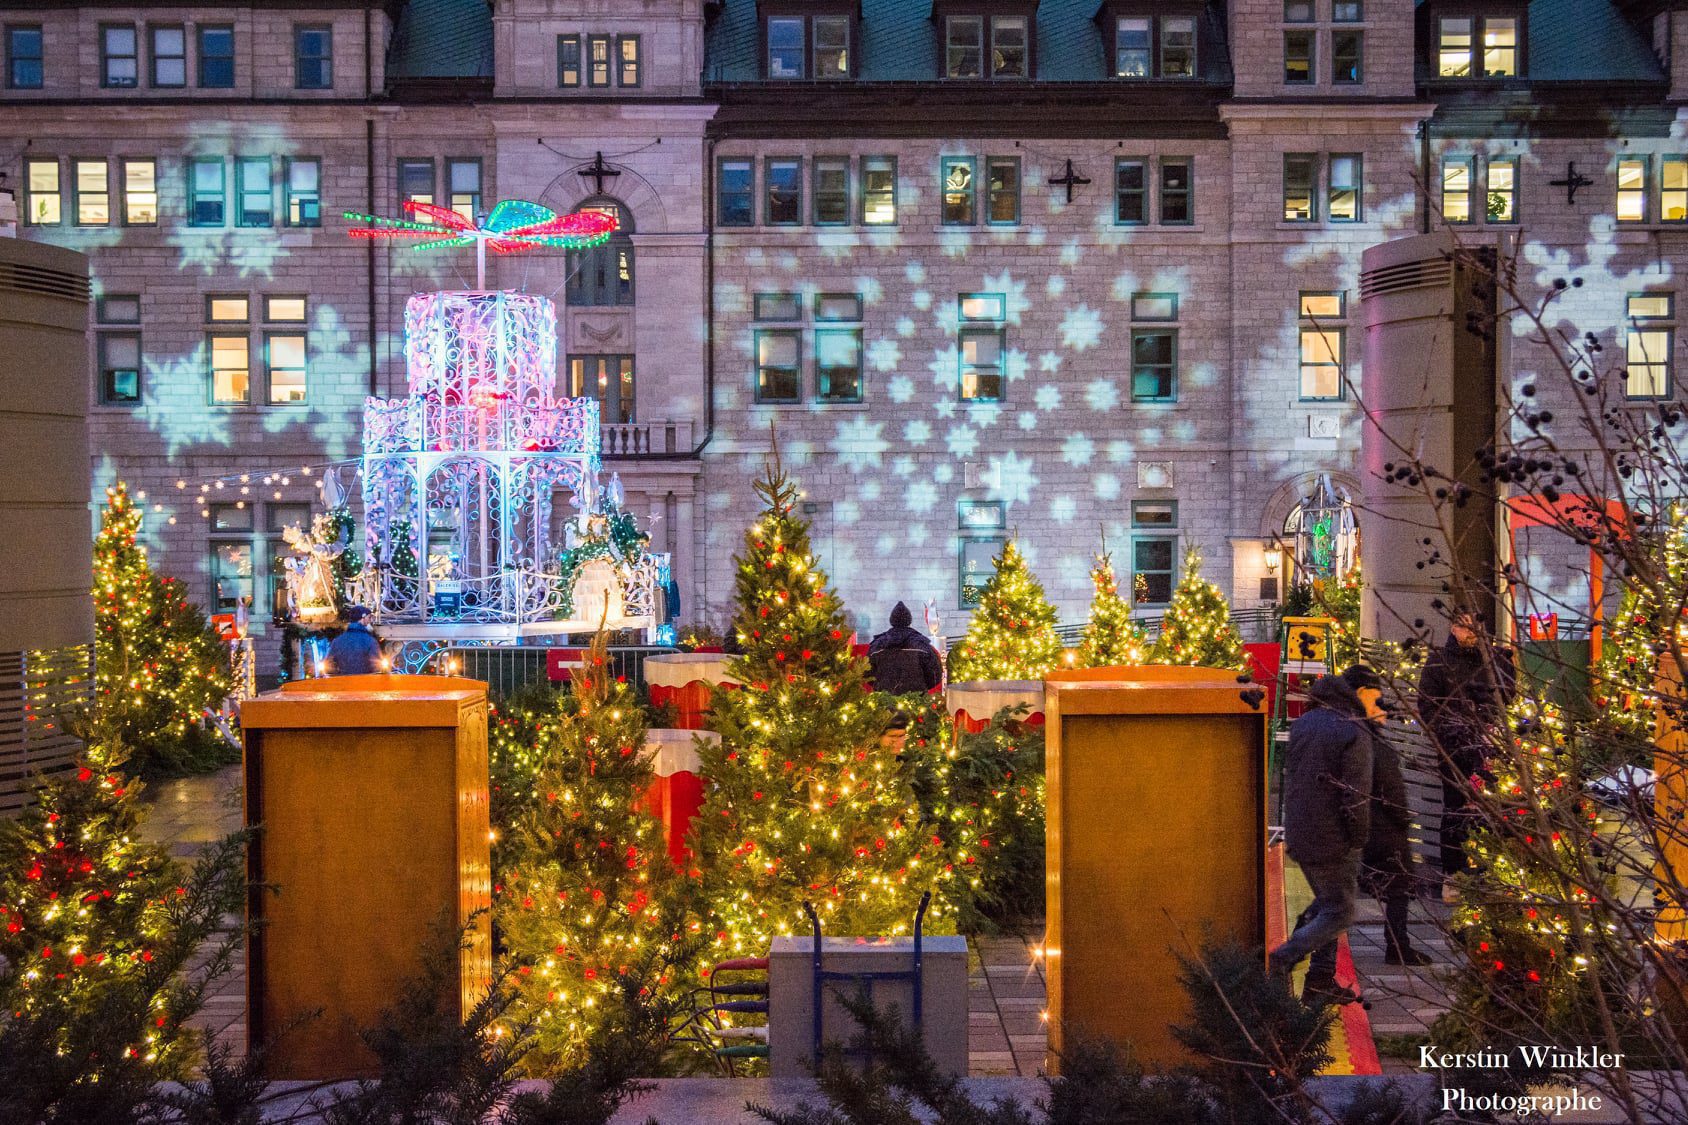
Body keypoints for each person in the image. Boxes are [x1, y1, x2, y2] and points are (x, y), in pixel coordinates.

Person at [1302, 666, 1432, 986]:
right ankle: (1395, 946)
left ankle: (1314, 961)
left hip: (1350, 825)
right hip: (1380, 824)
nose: (1382, 707)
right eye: (1376, 699)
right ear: (1360, 695)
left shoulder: (1336, 727)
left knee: (1340, 895)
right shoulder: (1363, 736)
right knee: (1397, 885)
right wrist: (1402, 817)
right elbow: (1388, 785)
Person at [1269, 669, 1374, 1007]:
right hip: (1334, 836)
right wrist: (1359, 837)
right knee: (1340, 911)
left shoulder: (1304, 724)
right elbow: (1356, 795)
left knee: (1327, 903)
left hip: (1301, 830)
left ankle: (1320, 978)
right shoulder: (1353, 730)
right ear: (1359, 692)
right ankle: (1286, 955)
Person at [1416, 609, 1515, 901]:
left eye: (1475, 628)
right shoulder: (1439, 661)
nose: (1470, 633)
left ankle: (1489, 872)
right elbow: (1427, 706)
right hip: (1454, 750)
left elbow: (1507, 697)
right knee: (1455, 809)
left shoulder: (1496, 661)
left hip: (1489, 747)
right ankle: (1454, 874)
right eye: (1464, 627)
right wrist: (1449, 736)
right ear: (1453, 628)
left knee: (1491, 809)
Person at [867, 602, 943, 697]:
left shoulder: (877, 645)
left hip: (884, 702)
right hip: (917, 701)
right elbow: (935, 675)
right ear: (909, 620)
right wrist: (920, 689)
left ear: (892, 620)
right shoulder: (922, 644)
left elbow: (868, 674)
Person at [326, 606, 383, 675]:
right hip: (365, 681)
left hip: (343, 680)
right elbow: (377, 667)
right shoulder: (370, 641)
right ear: (363, 618)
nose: (370, 621)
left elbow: (329, 665)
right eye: (369, 617)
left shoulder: (337, 641)